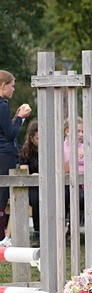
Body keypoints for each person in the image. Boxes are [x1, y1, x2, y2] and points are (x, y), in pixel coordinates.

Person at [0, 70, 32, 245]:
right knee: (2, 197)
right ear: (3, 86)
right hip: (5, 154)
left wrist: (15, 117)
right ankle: (1, 237)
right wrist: (20, 118)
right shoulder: (2, 104)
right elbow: (11, 134)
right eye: (11, 86)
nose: (13, 89)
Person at [17, 121, 39, 244]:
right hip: (31, 185)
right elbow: (24, 173)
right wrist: (33, 176)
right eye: (37, 138)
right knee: (36, 199)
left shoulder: (51, 149)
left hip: (47, 184)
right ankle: (37, 233)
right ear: (31, 138)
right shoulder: (25, 152)